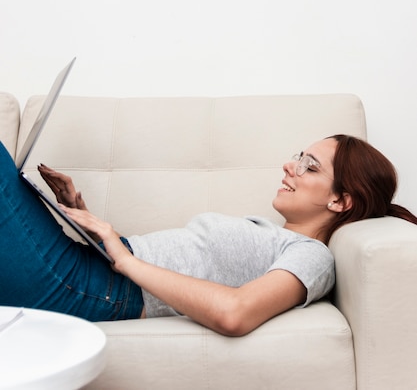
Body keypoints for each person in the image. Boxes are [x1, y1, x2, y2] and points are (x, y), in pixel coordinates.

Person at [1, 135, 416, 336]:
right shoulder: (270, 231)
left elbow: (234, 314)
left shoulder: (312, 256)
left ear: (341, 201)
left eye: (309, 165)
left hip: (94, 289)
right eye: (297, 157)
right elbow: (170, 265)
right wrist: (82, 213)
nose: (290, 167)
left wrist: (126, 261)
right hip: (93, 270)